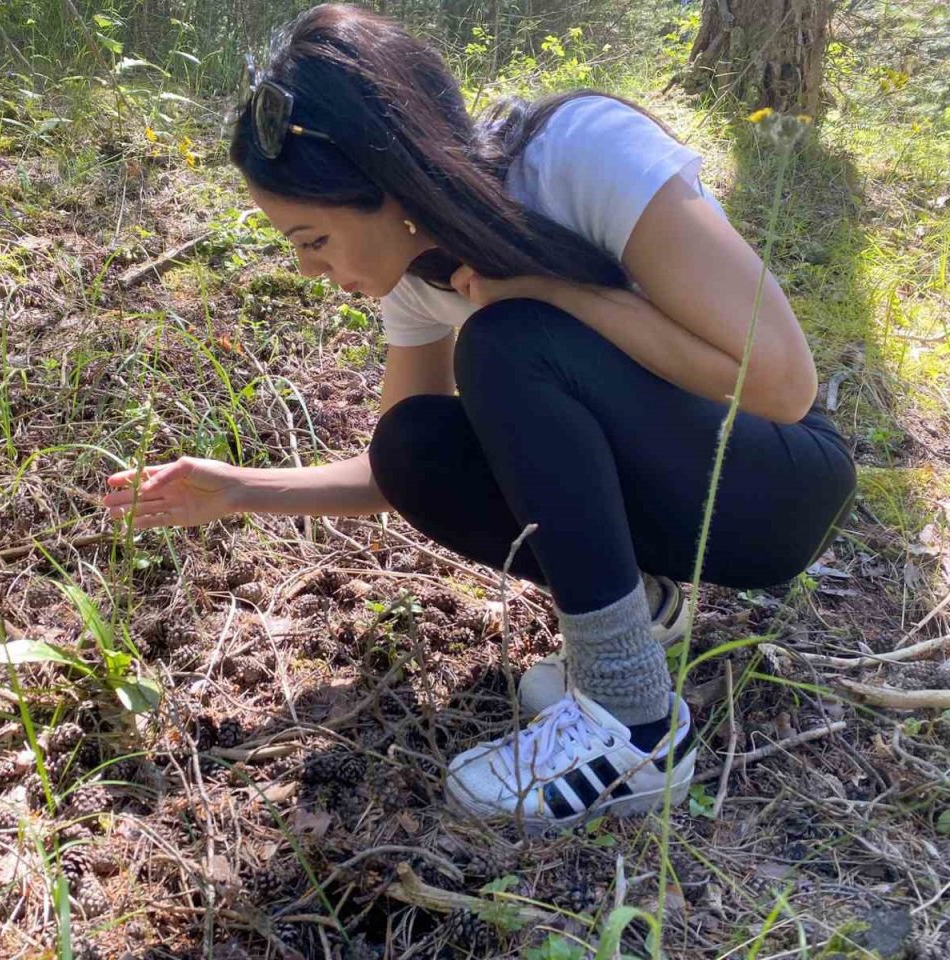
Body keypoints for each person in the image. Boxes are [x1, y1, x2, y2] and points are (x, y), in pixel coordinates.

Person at [102, 3, 856, 828]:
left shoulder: (577, 154)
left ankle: (635, 726)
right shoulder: (422, 274)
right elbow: (400, 474)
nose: (309, 269)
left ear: (386, 185)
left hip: (779, 488)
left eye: (312, 238)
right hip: (681, 494)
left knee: (507, 343)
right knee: (416, 440)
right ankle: (635, 612)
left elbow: (784, 386)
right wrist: (238, 488)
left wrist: (555, 295)